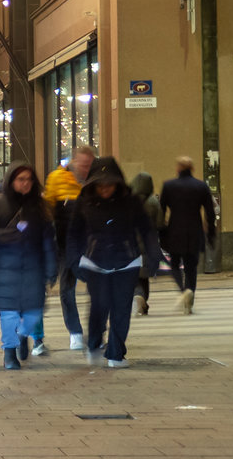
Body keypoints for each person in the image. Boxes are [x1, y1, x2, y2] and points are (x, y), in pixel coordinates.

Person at [69, 156, 160, 367]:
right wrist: (75, 260)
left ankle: (116, 354)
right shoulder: (84, 202)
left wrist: (153, 256)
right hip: (95, 261)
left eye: (109, 184)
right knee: (99, 307)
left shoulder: (131, 202)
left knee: (121, 308)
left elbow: (147, 230)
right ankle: (94, 342)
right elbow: (74, 234)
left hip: (126, 261)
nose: (105, 189)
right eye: (100, 185)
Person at [0, 164, 57, 369]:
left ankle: (23, 335)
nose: (25, 183)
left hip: (33, 266)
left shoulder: (40, 207)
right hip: (5, 266)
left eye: (29, 179)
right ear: (11, 180)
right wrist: (6, 236)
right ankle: (9, 352)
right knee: (9, 313)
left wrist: (51, 269)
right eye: (20, 179)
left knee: (34, 311)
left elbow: (48, 240)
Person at [43, 144, 96, 350]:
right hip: (65, 243)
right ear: (74, 161)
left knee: (97, 287)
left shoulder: (94, 183)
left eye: (89, 166)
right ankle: (75, 331)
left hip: (90, 244)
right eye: (83, 165)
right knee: (67, 288)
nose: (85, 170)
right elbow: (47, 210)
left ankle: (96, 329)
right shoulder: (57, 178)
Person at [159, 155, 217, 315]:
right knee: (191, 267)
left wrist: (162, 230)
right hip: (195, 231)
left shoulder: (169, 186)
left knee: (175, 264)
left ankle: (183, 290)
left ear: (178, 168)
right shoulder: (201, 186)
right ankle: (189, 295)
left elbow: (161, 210)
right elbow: (210, 213)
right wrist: (211, 233)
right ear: (192, 169)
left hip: (175, 230)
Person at [129, 172, 162, 316]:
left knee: (134, 274)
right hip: (148, 243)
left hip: (130, 244)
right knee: (144, 274)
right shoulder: (153, 202)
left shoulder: (128, 201)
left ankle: (137, 295)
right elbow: (160, 223)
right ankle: (142, 298)